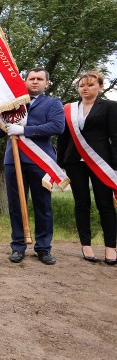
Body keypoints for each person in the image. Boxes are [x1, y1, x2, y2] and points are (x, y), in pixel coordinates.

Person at [0, 67, 64, 265]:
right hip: (14, 160)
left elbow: (57, 127)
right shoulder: (14, 103)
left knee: (43, 206)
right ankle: (18, 246)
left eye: (39, 79)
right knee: (16, 205)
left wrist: (24, 130)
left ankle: (43, 248)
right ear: (25, 81)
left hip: (40, 161)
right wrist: (1, 113)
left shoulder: (53, 103)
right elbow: (0, 133)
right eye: (31, 78)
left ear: (46, 83)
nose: (35, 81)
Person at [57, 71, 117, 265]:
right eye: (82, 85)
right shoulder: (69, 109)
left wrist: (115, 164)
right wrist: (60, 163)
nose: (85, 88)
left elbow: (115, 137)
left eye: (90, 85)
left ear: (100, 86)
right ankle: (86, 245)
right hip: (74, 162)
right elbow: (63, 138)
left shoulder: (109, 106)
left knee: (105, 205)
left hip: (101, 162)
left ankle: (110, 247)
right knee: (81, 204)